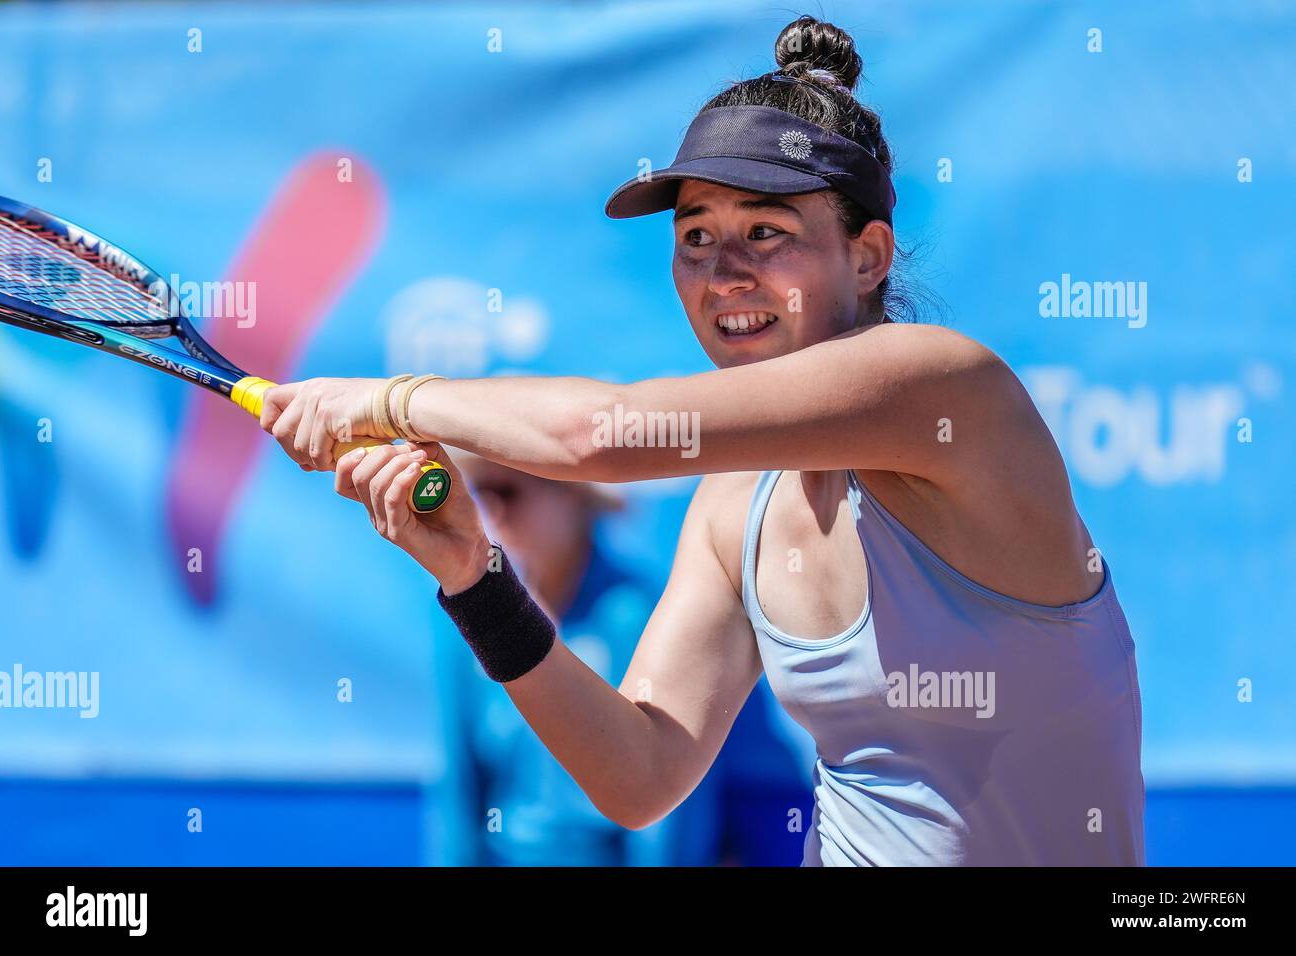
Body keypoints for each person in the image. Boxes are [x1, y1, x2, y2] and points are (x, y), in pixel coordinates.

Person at [260, 16, 1145, 865]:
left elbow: (599, 436)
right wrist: (474, 576)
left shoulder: (944, 388)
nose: (724, 274)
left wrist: (386, 398)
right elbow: (637, 774)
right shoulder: (737, 504)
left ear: (869, 258)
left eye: (766, 232)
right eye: (695, 238)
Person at [426, 455, 723, 865]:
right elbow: (458, 779)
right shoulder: (467, 617)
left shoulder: (637, 615)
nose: (492, 511)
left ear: (570, 492)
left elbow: (672, 797)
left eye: (508, 491)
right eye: (483, 492)